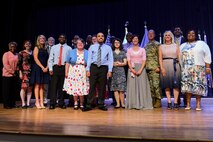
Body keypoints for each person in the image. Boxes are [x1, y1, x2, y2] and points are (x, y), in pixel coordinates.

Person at [180, 30, 211, 111]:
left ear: (195, 35)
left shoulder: (202, 44)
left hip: (198, 68)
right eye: (189, 33)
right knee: (187, 86)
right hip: (186, 69)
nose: (191, 35)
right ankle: (188, 104)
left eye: (193, 33)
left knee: (198, 87)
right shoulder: (182, 46)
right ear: (186, 35)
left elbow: (207, 55)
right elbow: (179, 57)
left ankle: (198, 104)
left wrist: (208, 67)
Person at [82, 32, 113, 111]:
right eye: (99, 36)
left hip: (103, 68)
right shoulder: (92, 47)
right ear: (97, 38)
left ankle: (101, 104)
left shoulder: (108, 48)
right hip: (94, 67)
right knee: (92, 86)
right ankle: (89, 104)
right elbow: (89, 58)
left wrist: (110, 70)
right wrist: (87, 69)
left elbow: (110, 60)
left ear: (104, 38)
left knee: (102, 87)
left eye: (102, 36)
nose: (100, 37)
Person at [126, 35, 153, 110]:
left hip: (141, 69)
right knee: (132, 87)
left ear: (138, 40)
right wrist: (132, 69)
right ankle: (133, 104)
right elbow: (128, 61)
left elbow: (144, 60)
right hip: (132, 69)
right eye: (134, 39)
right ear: (132, 40)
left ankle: (142, 103)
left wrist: (140, 70)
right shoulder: (129, 50)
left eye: (136, 38)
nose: (135, 40)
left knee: (142, 86)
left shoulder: (142, 50)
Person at [63, 38, 89, 110]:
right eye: (78, 43)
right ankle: (75, 103)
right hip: (73, 71)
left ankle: (81, 103)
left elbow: (89, 63)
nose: (80, 44)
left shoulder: (87, 52)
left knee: (82, 88)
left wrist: (88, 71)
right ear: (76, 44)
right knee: (75, 88)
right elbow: (67, 63)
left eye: (81, 43)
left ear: (84, 44)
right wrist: (66, 72)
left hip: (83, 71)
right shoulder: (72, 52)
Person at [48, 34, 72, 109]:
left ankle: (61, 102)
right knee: (53, 86)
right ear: (58, 39)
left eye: (63, 38)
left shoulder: (69, 48)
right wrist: (50, 69)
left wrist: (68, 70)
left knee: (62, 87)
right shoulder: (54, 47)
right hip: (55, 68)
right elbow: (51, 58)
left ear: (65, 39)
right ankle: (52, 103)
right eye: (60, 37)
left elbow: (70, 60)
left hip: (64, 68)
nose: (62, 39)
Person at [159, 31, 181, 110]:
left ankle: (175, 102)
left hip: (175, 65)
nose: (167, 36)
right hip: (165, 65)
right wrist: (162, 68)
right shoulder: (161, 46)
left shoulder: (176, 45)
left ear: (171, 36)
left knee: (176, 85)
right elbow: (160, 58)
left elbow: (179, 57)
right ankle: (169, 102)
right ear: (164, 37)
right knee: (166, 85)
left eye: (169, 35)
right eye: (166, 35)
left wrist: (179, 64)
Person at [30, 35, 49, 109]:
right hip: (38, 68)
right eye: (41, 38)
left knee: (42, 86)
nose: (42, 40)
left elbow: (48, 58)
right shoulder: (36, 48)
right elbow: (35, 58)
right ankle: (37, 102)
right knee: (37, 85)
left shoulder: (46, 48)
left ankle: (41, 102)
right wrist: (42, 67)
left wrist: (47, 67)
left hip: (44, 68)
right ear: (38, 40)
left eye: (43, 38)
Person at [144, 30, 162, 108]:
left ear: (154, 35)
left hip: (155, 68)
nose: (150, 35)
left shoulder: (158, 44)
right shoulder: (146, 45)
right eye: (149, 34)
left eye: (152, 34)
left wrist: (159, 67)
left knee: (156, 85)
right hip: (148, 68)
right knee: (150, 86)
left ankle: (158, 100)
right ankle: (153, 100)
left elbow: (160, 56)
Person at [2, 41, 19, 109]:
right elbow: (6, 64)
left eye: (14, 46)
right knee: (7, 90)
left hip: (14, 75)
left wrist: (17, 70)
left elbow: (18, 63)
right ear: (9, 47)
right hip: (7, 75)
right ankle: (6, 104)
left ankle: (12, 103)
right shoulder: (6, 54)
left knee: (13, 90)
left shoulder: (17, 54)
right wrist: (12, 72)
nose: (13, 47)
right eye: (11, 46)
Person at [110, 38, 127, 108]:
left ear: (120, 44)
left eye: (118, 42)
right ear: (113, 44)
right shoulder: (111, 52)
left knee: (121, 89)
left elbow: (125, 63)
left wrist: (120, 64)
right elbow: (109, 61)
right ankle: (117, 104)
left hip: (121, 71)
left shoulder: (123, 52)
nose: (117, 44)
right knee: (115, 88)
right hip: (114, 72)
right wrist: (113, 63)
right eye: (115, 42)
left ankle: (122, 103)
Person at [18, 40, 33, 108]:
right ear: (24, 45)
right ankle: (23, 103)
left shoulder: (33, 52)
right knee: (23, 88)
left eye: (29, 44)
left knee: (30, 88)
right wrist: (20, 72)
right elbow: (19, 64)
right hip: (24, 72)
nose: (28, 45)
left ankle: (28, 103)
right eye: (26, 44)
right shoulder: (21, 53)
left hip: (32, 72)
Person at [173, 27, 186, 106]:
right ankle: (176, 100)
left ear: (181, 31)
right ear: (174, 32)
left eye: (179, 30)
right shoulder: (171, 40)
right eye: (176, 30)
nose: (177, 31)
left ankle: (185, 100)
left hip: (184, 63)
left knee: (184, 81)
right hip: (173, 63)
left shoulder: (185, 40)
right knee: (175, 82)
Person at [44, 36, 55, 105]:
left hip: (54, 68)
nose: (51, 41)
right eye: (49, 40)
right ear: (47, 41)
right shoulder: (44, 48)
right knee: (45, 85)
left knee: (54, 85)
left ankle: (54, 99)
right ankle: (45, 99)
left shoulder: (56, 48)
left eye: (52, 40)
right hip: (45, 68)